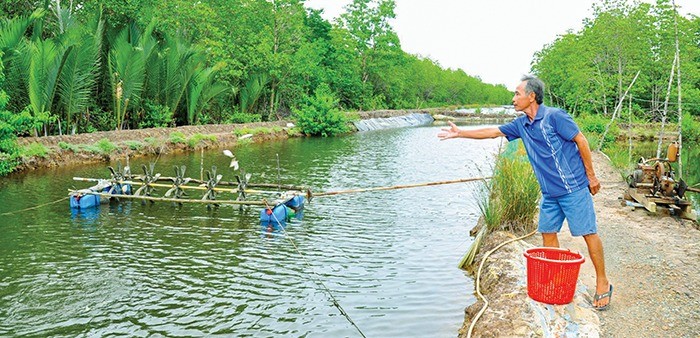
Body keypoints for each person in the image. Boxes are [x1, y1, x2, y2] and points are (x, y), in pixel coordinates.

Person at [438, 75, 612, 310]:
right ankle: (557, 278)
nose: (513, 98)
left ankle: (603, 282)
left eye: (517, 93)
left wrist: (591, 176)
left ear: (532, 96)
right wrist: (461, 133)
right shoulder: (521, 124)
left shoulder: (555, 117)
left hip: (573, 188)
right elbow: (493, 132)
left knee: (587, 232)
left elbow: (581, 140)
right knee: (547, 233)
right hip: (549, 193)